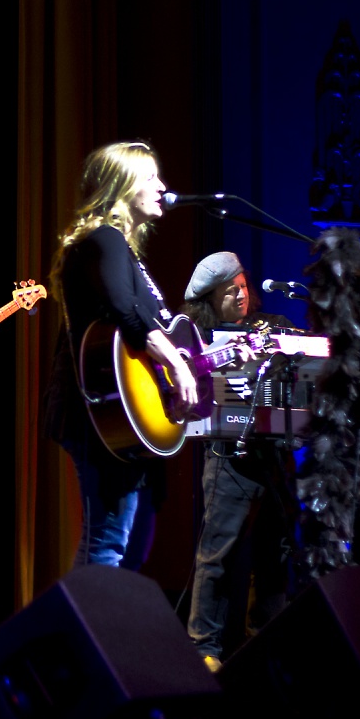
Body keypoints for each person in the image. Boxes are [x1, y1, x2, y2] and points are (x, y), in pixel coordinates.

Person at [42, 141, 198, 568]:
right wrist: (176, 363)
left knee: (129, 548)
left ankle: (107, 632)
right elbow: (123, 308)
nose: (163, 186)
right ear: (122, 186)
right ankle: (79, 635)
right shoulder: (103, 239)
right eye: (150, 177)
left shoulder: (121, 249)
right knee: (107, 545)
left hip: (122, 419)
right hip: (99, 415)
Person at [180, 251, 297, 672]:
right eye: (231, 293)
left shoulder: (275, 327)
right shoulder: (199, 340)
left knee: (277, 550)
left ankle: (265, 642)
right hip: (227, 455)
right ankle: (203, 650)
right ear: (209, 300)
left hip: (276, 453)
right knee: (218, 553)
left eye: (243, 287)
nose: (242, 296)